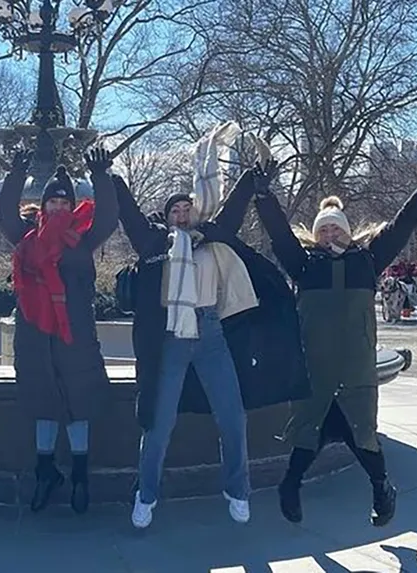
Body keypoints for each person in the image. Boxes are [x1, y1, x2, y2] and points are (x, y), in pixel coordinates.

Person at [116, 123, 309, 529]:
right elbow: (130, 216)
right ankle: (146, 494)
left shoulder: (210, 237)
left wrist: (253, 179)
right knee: (160, 422)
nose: (183, 216)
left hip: (211, 333)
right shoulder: (157, 245)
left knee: (233, 416)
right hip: (171, 337)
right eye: (175, 211)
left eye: (187, 209)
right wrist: (109, 178)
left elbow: (234, 211)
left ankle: (237, 489)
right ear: (166, 217)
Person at [253, 155, 417, 527]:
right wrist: (263, 195)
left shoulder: (368, 260)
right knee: (306, 434)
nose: (330, 235)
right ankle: (289, 489)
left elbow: (404, 223)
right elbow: (279, 234)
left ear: (346, 231)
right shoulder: (305, 265)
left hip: (356, 367)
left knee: (363, 436)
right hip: (315, 368)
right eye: (323, 230)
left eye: (335, 229)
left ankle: (381, 489)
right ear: (316, 234)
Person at [0, 147, 118, 514]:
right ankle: (44, 472)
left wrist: (102, 176)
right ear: (44, 205)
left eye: (65, 202)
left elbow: (110, 218)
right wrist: (16, 173)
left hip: (75, 336)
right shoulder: (27, 237)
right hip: (33, 335)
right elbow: (3, 215)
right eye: (53, 201)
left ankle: (80, 474)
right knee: (43, 403)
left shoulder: (83, 238)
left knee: (78, 404)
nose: (59, 207)